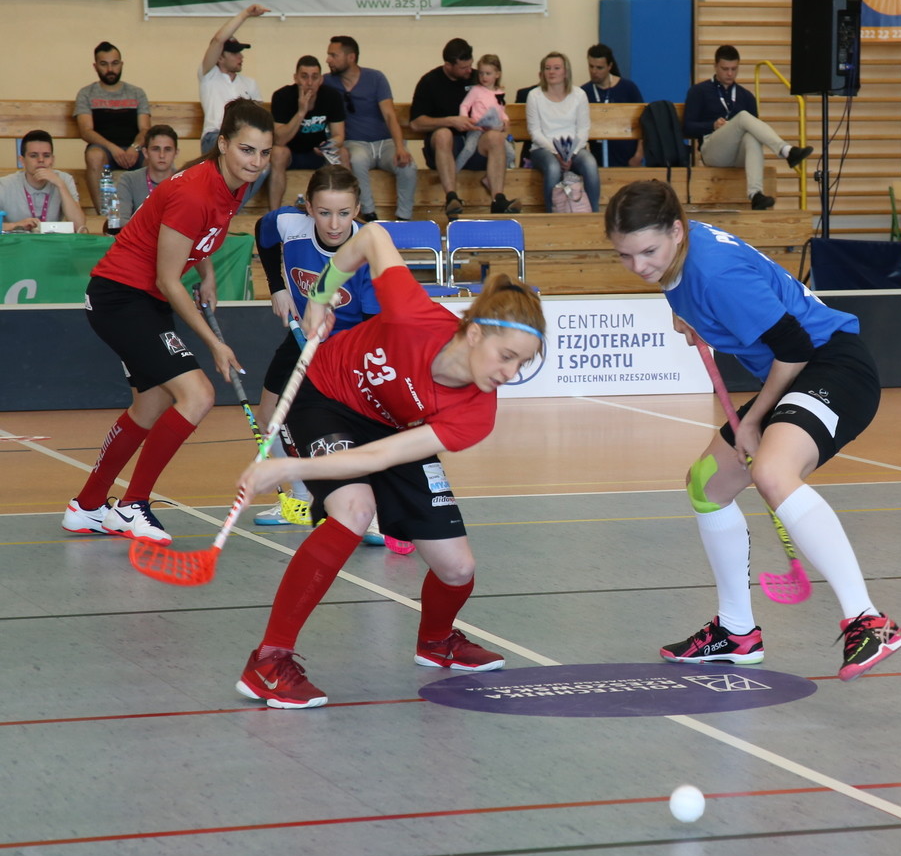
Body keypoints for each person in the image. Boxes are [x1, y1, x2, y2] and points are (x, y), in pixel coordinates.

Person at [605, 180, 901, 680]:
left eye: (648, 252)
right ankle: (736, 631)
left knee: (772, 470)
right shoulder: (680, 254)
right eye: (625, 255)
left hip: (831, 366)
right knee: (707, 484)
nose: (638, 266)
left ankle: (869, 620)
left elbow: (795, 346)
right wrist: (689, 317)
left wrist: (751, 421)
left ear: (677, 231)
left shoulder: (715, 273)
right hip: (793, 374)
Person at [233, 223, 545, 708]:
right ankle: (269, 661)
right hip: (324, 398)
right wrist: (320, 295)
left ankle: (436, 641)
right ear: (474, 333)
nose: (509, 374)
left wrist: (287, 471)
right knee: (354, 510)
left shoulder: (476, 414)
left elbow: (382, 456)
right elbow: (372, 236)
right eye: (506, 357)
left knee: (457, 568)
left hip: (392, 429)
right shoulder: (411, 313)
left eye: (520, 365)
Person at [60, 99, 272, 545]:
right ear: (224, 145)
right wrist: (215, 345)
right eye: (247, 150)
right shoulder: (195, 191)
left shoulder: (233, 184)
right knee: (198, 394)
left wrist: (208, 275)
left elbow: (199, 238)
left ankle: (88, 506)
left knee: (151, 404)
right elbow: (168, 280)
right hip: (121, 297)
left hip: (144, 299)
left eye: (264, 152)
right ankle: (134, 504)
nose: (256, 161)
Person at [251, 164, 384, 546]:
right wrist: (277, 287)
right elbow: (263, 232)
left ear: (357, 209)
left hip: (352, 347)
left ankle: (374, 512)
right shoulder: (288, 224)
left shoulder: (369, 249)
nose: (334, 224)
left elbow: (375, 325)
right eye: (324, 212)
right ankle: (301, 499)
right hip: (302, 338)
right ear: (308, 207)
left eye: (344, 213)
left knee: (356, 427)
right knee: (269, 415)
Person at [683, 45, 813, 211]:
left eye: (734, 69)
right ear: (715, 66)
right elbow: (687, 128)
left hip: (738, 153)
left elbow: (756, 131)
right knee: (743, 116)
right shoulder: (699, 91)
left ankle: (756, 195)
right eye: (725, 69)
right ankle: (786, 150)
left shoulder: (746, 96)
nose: (730, 74)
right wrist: (712, 125)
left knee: (752, 136)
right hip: (712, 150)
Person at [410, 37, 518, 217]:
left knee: (495, 138)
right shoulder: (430, 82)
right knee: (444, 134)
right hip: (445, 146)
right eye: (463, 68)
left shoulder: (478, 77)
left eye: (470, 65)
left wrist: (500, 121)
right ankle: (451, 198)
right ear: (448, 65)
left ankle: (498, 199)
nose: (469, 71)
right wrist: (451, 121)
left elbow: (496, 102)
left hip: (475, 140)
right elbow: (416, 123)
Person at [326, 35, 417, 224]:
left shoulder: (375, 78)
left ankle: (404, 218)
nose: (328, 60)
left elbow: (390, 115)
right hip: (355, 143)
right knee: (356, 160)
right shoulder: (327, 82)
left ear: (351, 57)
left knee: (408, 166)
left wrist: (400, 147)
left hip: (385, 142)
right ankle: (369, 215)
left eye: (333, 55)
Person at [198, 5, 270, 204]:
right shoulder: (208, 76)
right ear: (220, 57)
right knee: (238, 158)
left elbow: (257, 122)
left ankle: (230, 208)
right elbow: (217, 40)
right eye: (235, 53)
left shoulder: (250, 84)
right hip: (215, 137)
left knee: (265, 163)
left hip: (245, 141)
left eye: (241, 53)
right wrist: (245, 14)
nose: (241, 57)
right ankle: (223, 207)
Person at [74, 40, 150, 213]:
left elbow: (145, 130)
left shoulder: (137, 93)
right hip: (105, 151)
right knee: (94, 156)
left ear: (121, 64)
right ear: (95, 66)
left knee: (155, 155)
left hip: (134, 150)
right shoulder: (86, 94)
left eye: (115, 63)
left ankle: (149, 212)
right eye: (104, 64)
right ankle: (103, 214)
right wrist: (113, 149)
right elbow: (86, 131)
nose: (110, 69)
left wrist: (134, 148)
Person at [525, 51, 601, 214]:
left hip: (574, 149)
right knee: (553, 167)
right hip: (543, 149)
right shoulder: (534, 96)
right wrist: (557, 153)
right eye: (547, 68)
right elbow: (535, 132)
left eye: (556, 68)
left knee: (590, 163)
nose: (551, 72)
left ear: (566, 72)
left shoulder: (579, 95)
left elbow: (583, 129)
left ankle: (594, 215)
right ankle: (551, 217)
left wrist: (570, 154)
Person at [267, 55, 346, 210]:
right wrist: (301, 112)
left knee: (343, 153)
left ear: (321, 80)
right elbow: (279, 140)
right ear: (296, 78)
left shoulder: (332, 96)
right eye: (304, 77)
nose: (309, 83)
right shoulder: (282, 96)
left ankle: (344, 210)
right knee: (277, 152)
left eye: (314, 77)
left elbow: (339, 136)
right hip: (291, 154)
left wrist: (327, 146)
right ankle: (274, 214)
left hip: (319, 153)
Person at [0, 130, 88, 233]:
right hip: (17, 242)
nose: (41, 160)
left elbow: (79, 226)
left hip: (53, 241)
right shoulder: (4, 184)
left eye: (46, 155)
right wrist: (15, 225)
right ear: (22, 161)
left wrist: (60, 185)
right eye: (33, 155)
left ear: (52, 160)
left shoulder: (64, 180)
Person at [580, 43, 644, 168]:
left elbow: (644, 122)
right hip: (597, 162)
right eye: (591, 66)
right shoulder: (583, 92)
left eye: (599, 68)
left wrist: (638, 156)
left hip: (628, 160)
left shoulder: (628, 88)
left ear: (609, 66)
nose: (594, 71)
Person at [457, 53, 512, 171]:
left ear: (497, 74)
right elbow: (464, 105)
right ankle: (455, 171)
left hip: (493, 130)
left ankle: (492, 176)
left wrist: (505, 119)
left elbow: (501, 110)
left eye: (488, 73)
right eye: (481, 73)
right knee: (468, 149)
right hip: (476, 129)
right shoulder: (476, 90)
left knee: (510, 153)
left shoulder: (499, 92)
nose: (484, 77)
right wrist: (465, 119)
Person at [115, 124, 179, 217]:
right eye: (156, 149)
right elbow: (120, 219)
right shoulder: (128, 180)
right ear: (145, 153)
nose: (162, 155)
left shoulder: (186, 182)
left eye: (167, 149)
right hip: (136, 227)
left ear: (176, 153)